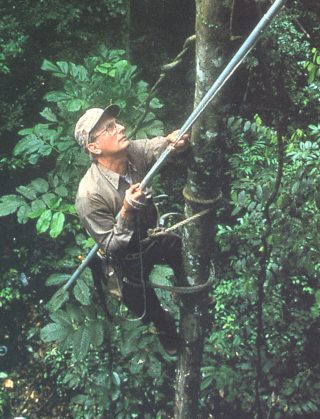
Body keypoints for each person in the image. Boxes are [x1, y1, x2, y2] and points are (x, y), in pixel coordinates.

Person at [74, 105, 189, 355]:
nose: (121, 128)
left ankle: (186, 293)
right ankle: (165, 328)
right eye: (110, 128)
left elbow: (155, 147)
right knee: (147, 309)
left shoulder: (132, 152)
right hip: (125, 262)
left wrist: (172, 142)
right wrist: (126, 212)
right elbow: (112, 246)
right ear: (94, 147)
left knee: (178, 249)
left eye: (117, 122)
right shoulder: (89, 195)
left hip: (151, 239)